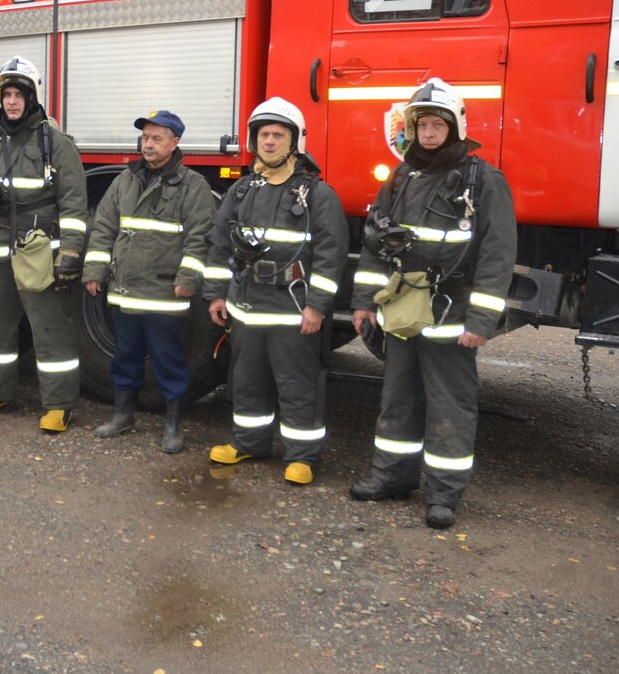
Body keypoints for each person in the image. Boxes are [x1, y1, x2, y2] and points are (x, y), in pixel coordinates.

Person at [349, 78, 516, 529]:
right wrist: (364, 300)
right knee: (397, 397)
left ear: (455, 127)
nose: (427, 133)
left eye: (437, 125)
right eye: (421, 124)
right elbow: (374, 244)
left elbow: (498, 254)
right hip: (404, 309)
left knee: (449, 404)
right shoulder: (401, 177)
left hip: (452, 313)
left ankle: (443, 495)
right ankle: (391, 478)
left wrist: (482, 319)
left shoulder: (483, 181)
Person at [202, 98, 348, 485]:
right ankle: (250, 442)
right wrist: (216, 294)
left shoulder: (317, 194)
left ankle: (303, 456)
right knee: (247, 378)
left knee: (296, 383)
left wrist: (317, 306)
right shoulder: (242, 190)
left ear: (294, 140)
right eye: (263, 134)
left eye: (277, 135)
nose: (269, 141)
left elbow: (331, 257)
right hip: (247, 304)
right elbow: (219, 243)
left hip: (292, 305)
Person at [0, 56, 89, 432]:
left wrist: (71, 251)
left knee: (49, 328)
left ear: (32, 98)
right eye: (7, 94)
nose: (12, 102)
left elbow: (75, 203)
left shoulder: (56, 144)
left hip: (38, 249)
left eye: (19, 94)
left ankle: (60, 404)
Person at [83, 110, 214, 453]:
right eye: (145, 138)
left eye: (157, 138)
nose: (149, 144)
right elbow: (103, 229)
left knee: (169, 361)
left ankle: (173, 425)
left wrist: (189, 277)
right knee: (124, 357)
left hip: (164, 294)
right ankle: (123, 415)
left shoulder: (193, 186)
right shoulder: (124, 181)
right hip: (125, 292)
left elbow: (200, 237)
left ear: (175, 143)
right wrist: (94, 271)